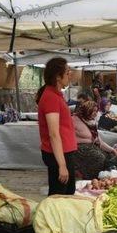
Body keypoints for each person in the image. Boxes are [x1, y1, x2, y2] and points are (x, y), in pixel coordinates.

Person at [37, 57, 77, 195]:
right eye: (67, 72)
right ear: (57, 76)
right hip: (58, 154)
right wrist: (62, 165)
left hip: (63, 151)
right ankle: (52, 217)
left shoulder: (56, 95)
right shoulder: (50, 97)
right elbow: (53, 134)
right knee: (59, 195)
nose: (70, 75)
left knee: (67, 192)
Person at [73, 100, 117, 179]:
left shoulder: (91, 122)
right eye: (93, 111)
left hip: (91, 146)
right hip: (78, 148)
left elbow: (99, 141)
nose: (95, 113)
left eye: (96, 111)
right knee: (99, 157)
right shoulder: (74, 120)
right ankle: (90, 177)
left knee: (109, 156)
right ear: (87, 110)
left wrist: (113, 150)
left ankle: (101, 177)